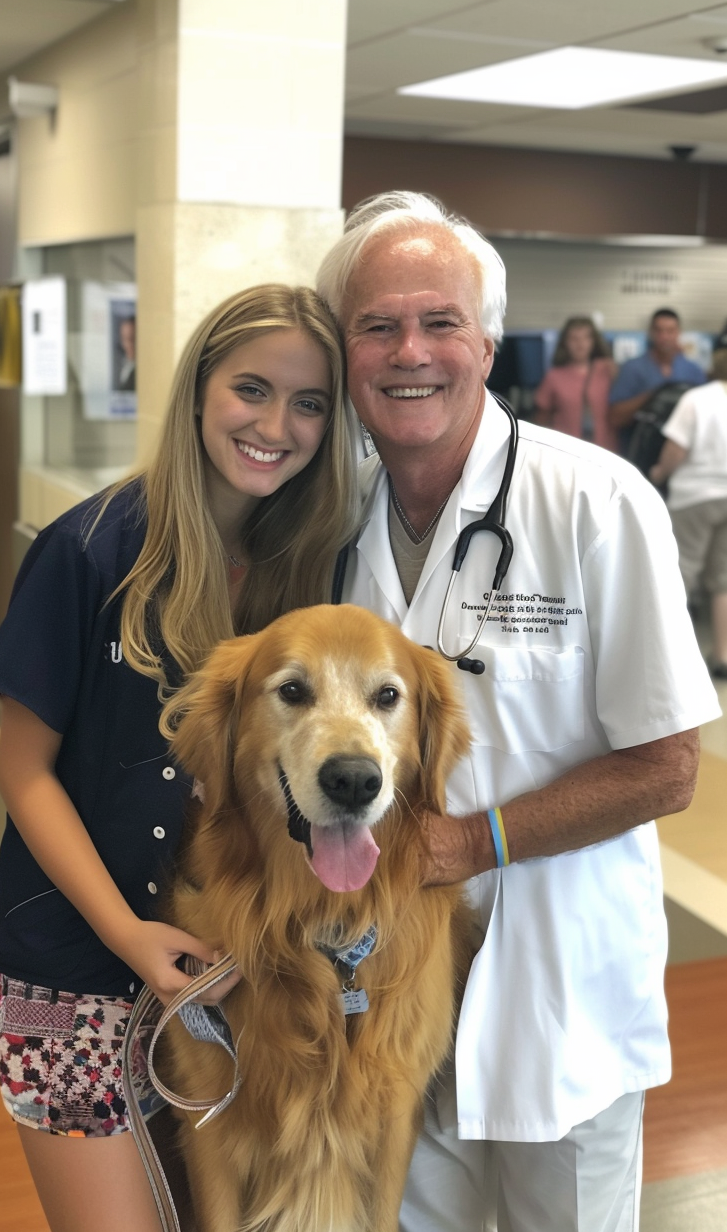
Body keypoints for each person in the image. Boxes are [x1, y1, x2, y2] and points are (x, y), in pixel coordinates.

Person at [316, 191, 720, 1232]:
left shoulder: (594, 500)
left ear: (487, 342)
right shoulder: (328, 525)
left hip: (555, 988)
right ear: (345, 348)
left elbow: (667, 765)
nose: (411, 350)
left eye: (440, 320)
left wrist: (468, 842)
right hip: (389, 985)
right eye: (377, 324)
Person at [0, 284, 357, 1232]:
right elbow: (22, 772)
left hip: (231, 975)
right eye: (252, 389)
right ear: (197, 390)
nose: (277, 425)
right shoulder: (90, 551)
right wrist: (126, 935)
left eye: (309, 404)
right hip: (77, 970)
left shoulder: (306, 573)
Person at [649, 348, 727, 679]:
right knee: (722, 580)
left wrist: (658, 474)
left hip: (694, 497)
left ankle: (675, 662)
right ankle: (722, 656)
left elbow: (676, 448)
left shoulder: (697, 398)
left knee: (680, 577)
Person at [608, 307, 706, 455]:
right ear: (651, 333)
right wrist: (656, 395)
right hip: (639, 453)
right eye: (659, 331)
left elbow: (705, 418)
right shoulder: (632, 368)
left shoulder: (693, 371)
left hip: (680, 457)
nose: (664, 336)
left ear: (678, 333)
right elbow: (615, 418)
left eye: (670, 331)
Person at [533, 316, 617, 450]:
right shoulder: (554, 376)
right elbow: (542, 418)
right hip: (566, 450)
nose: (580, 344)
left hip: (605, 450)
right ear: (565, 343)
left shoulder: (608, 370)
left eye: (585, 338)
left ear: (594, 341)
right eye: (574, 339)